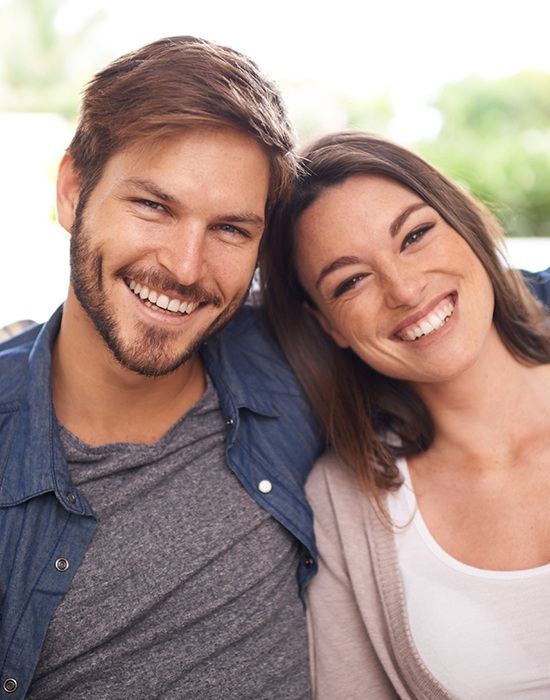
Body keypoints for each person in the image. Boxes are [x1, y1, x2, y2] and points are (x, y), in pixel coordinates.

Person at [0, 36, 322, 699]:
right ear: (72, 191)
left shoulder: (291, 359)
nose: (184, 267)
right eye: (154, 206)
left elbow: (468, 301)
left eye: (231, 229)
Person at [261, 130, 550, 699]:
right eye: (350, 281)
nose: (404, 288)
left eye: (415, 235)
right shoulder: (344, 505)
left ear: (464, 224)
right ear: (327, 326)